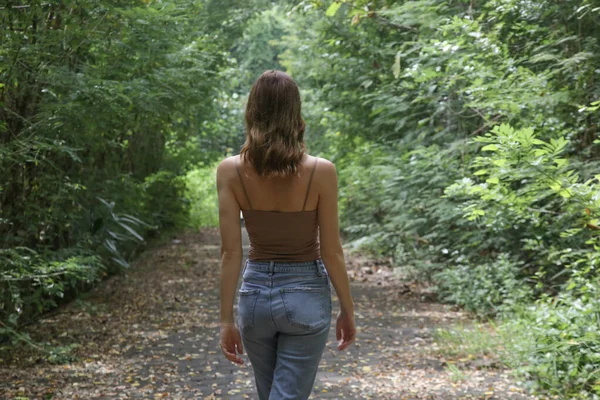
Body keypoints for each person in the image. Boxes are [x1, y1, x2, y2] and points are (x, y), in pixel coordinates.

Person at [216, 70, 356, 400]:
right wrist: (348, 310)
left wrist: (226, 321)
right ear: (296, 113)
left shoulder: (230, 171)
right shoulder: (322, 171)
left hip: (254, 301)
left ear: (252, 111)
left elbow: (230, 253)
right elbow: (332, 251)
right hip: (305, 296)